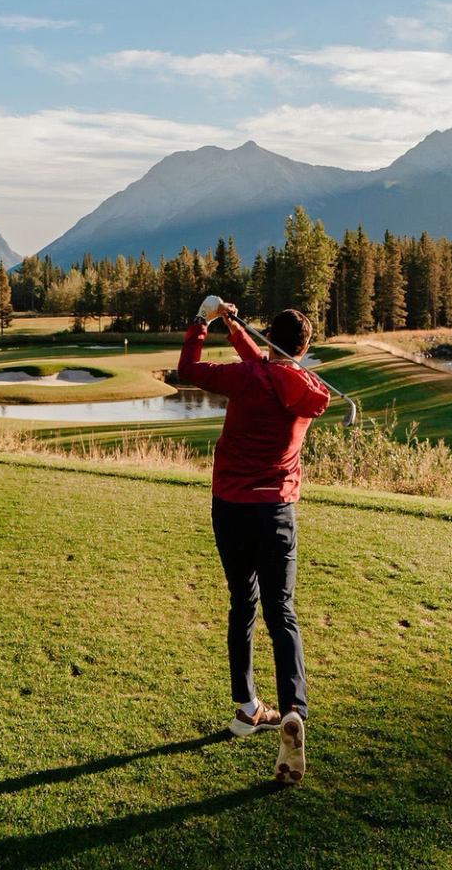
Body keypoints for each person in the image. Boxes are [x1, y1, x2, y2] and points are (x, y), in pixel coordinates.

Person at [178, 296, 330, 785]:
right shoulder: (308, 389)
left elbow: (190, 367)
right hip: (277, 512)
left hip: (231, 510)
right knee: (281, 610)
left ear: (271, 340)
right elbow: (270, 367)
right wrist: (234, 326)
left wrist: (204, 320)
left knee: (242, 603)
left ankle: (246, 706)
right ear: (303, 350)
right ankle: (292, 711)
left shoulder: (247, 378)